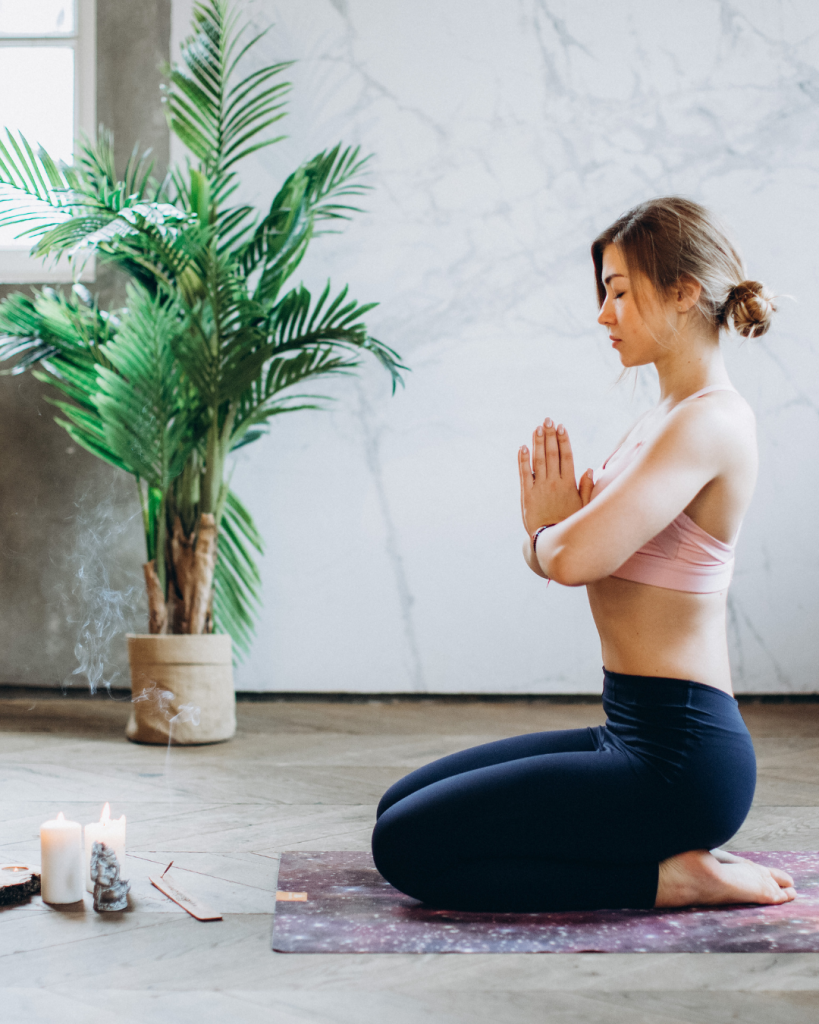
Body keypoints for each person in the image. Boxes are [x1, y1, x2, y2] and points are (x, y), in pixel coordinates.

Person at [371, 197, 797, 913]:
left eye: (619, 292)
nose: (603, 314)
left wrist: (545, 535)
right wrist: (554, 537)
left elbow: (570, 558)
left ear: (684, 291)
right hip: (627, 729)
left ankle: (668, 880)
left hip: (680, 759)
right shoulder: (663, 418)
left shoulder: (710, 422)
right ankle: (654, 855)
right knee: (399, 806)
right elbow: (570, 548)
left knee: (405, 847)